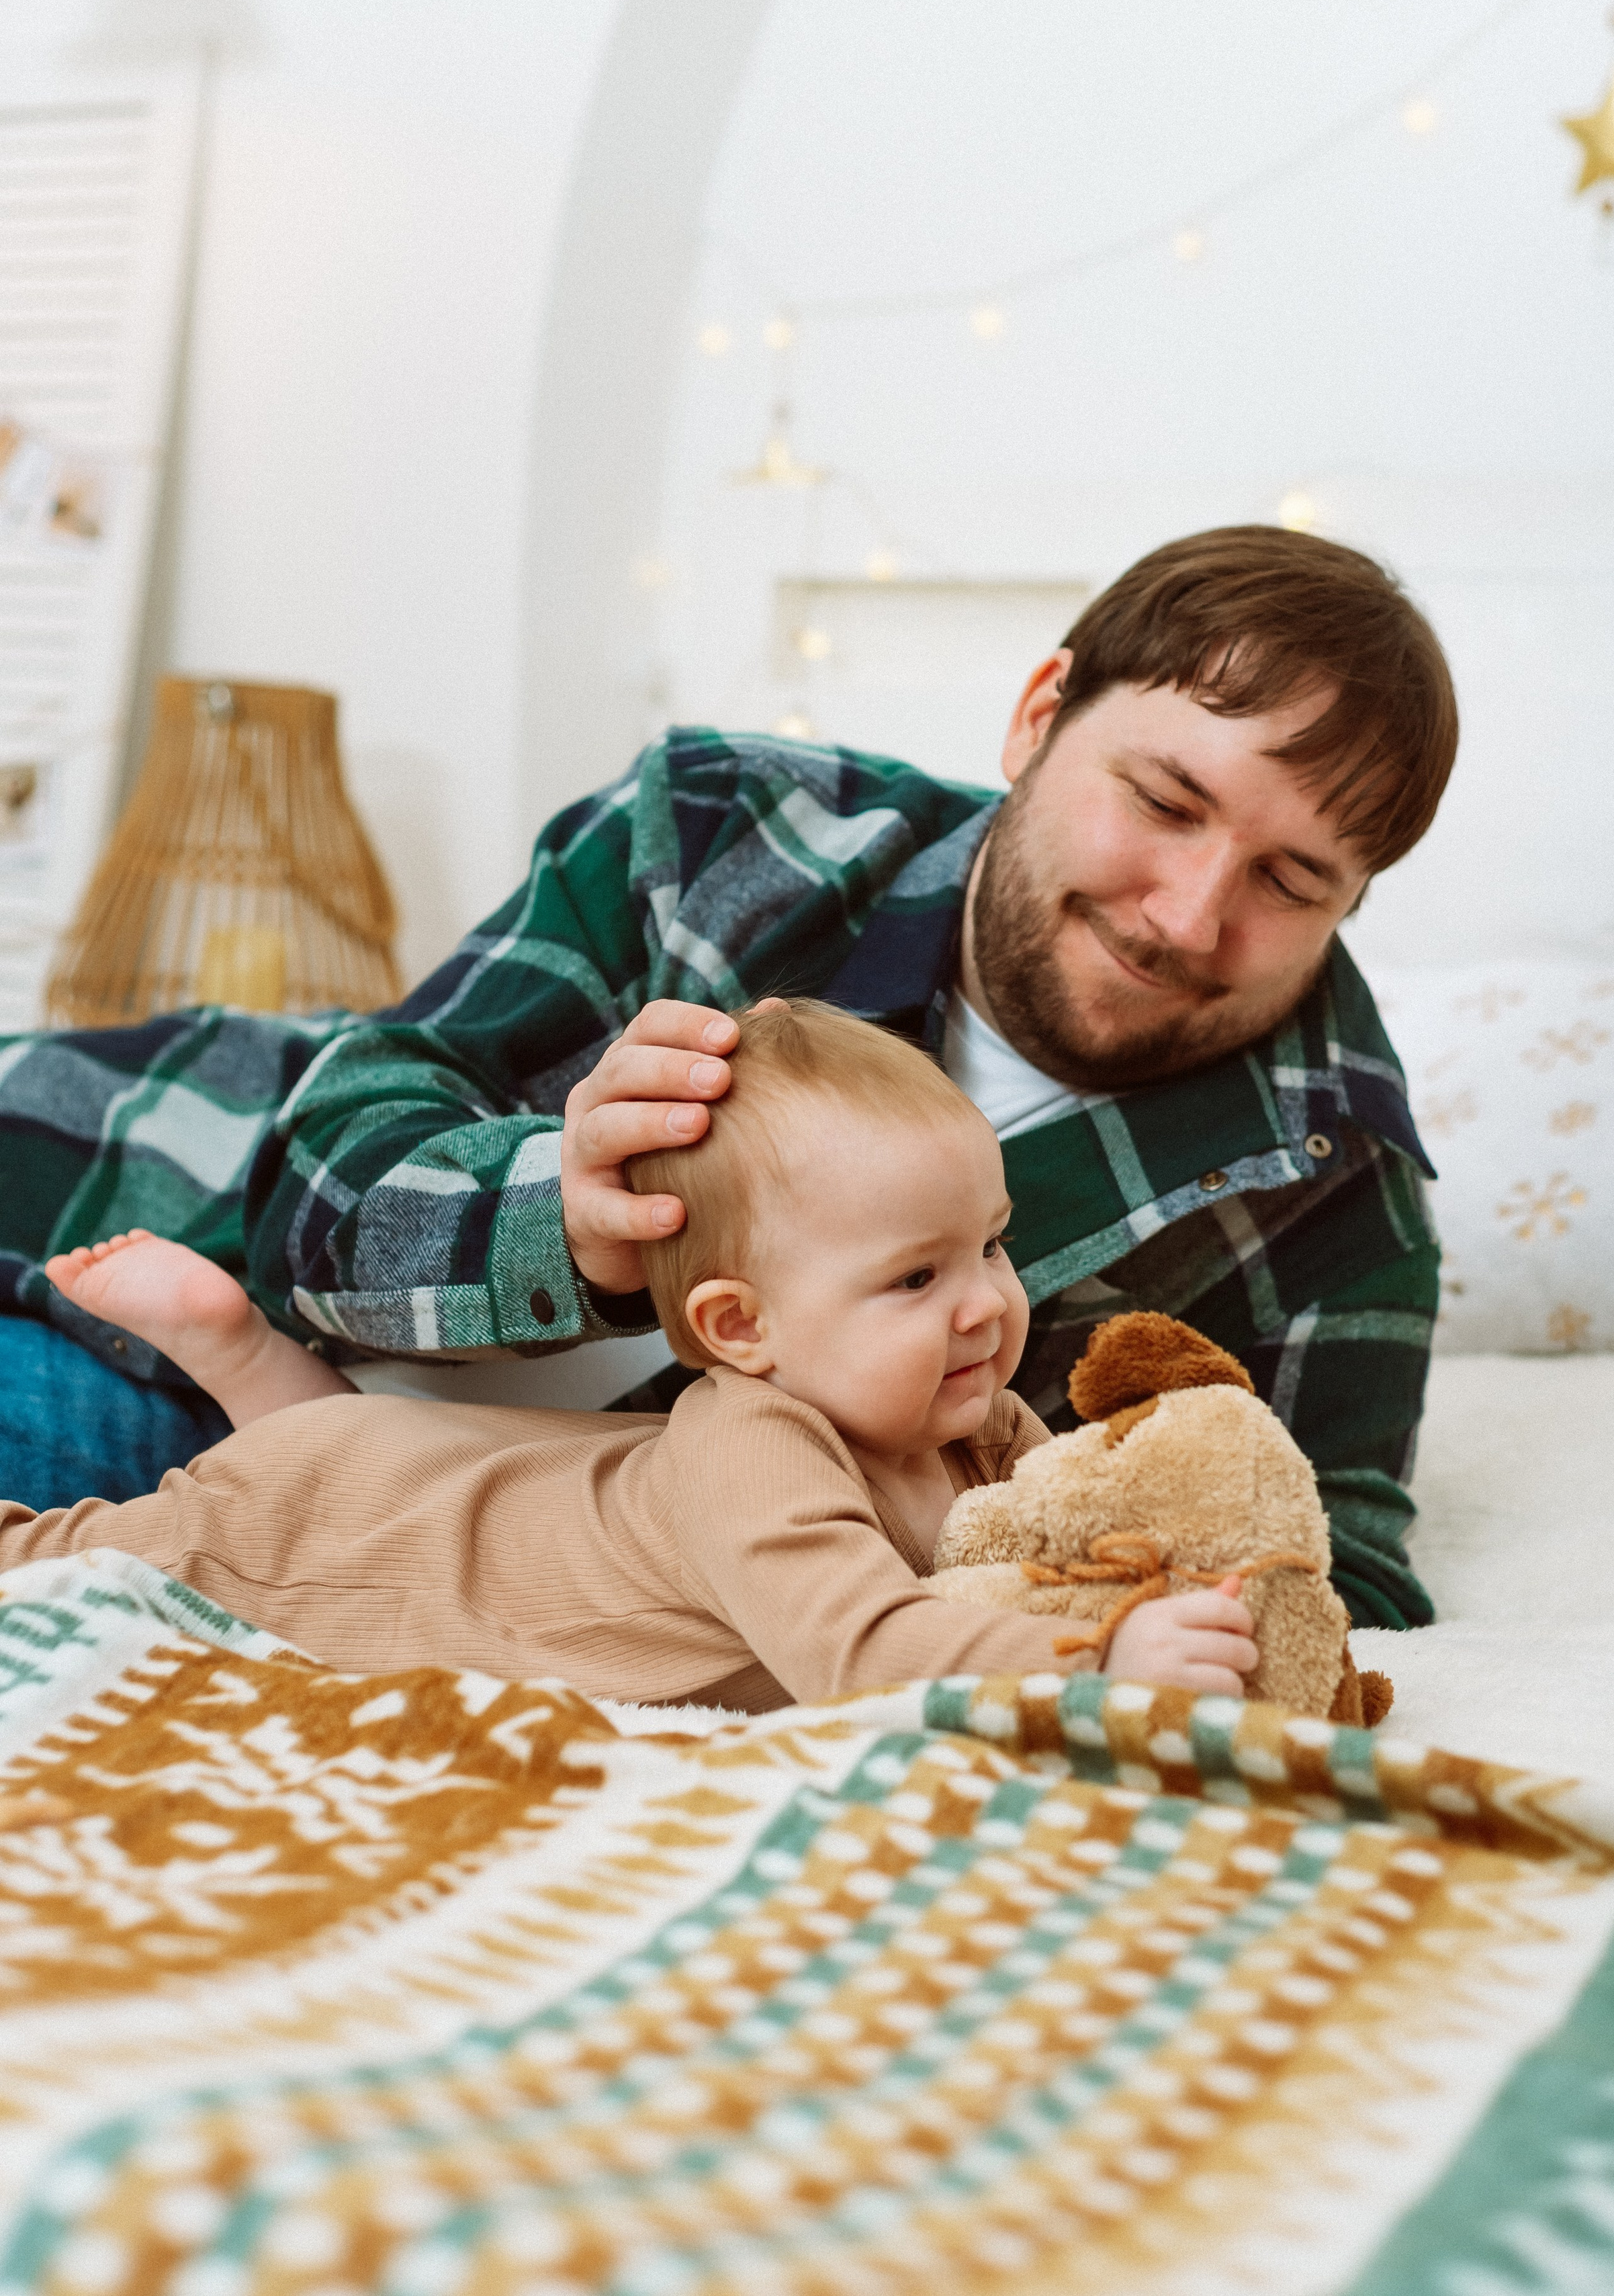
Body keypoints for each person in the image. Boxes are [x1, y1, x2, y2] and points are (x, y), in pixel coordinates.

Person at [0, 526, 1457, 1628]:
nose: (1189, 914)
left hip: (523, 1543)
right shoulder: (723, 828)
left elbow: (1332, 1577)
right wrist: (558, 1219)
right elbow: (313, 1190)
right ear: (1038, 716)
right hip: (145, 1238)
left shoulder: (1333, 1186)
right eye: (1162, 798)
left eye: (1289, 878)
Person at [1, 1006, 1261, 1709]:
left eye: (992, 1247)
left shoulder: (969, 1418)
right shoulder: (753, 1444)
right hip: (344, 1524)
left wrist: (1196, 1580)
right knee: (79, 1556)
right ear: (737, 1331)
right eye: (917, 1278)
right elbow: (864, 1654)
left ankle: (248, 1364)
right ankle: (244, 1356)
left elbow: (1069, 1535)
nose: (987, 1304)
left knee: (353, 1444)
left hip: (434, 1468)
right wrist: (1099, 1664)